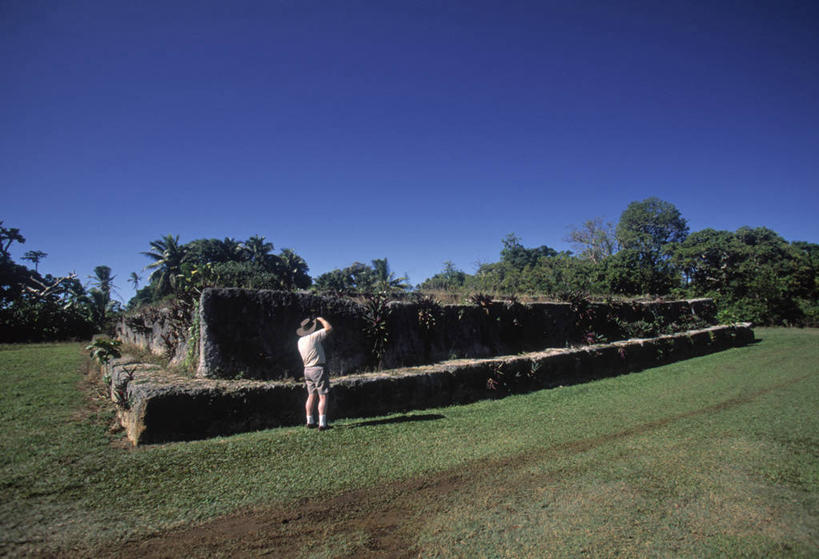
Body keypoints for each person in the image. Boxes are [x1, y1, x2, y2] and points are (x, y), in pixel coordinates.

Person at [296, 316, 333, 430]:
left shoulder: (300, 341)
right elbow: (329, 328)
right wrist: (321, 319)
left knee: (311, 395)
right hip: (317, 369)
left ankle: (310, 421)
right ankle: (322, 424)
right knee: (323, 396)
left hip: (307, 369)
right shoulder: (313, 337)